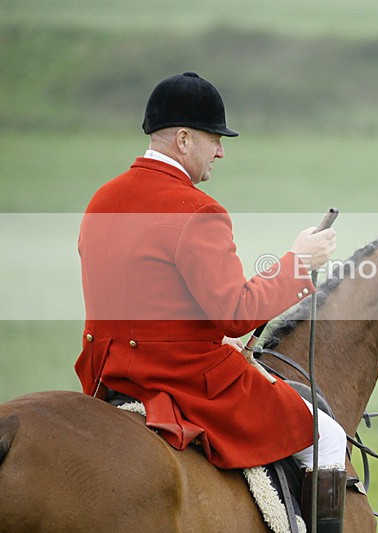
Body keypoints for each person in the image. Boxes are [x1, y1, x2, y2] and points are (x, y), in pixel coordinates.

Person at [75, 72, 347, 531]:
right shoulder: (198, 210)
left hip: (108, 377)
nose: (221, 151)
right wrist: (299, 263)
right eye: (214, 139)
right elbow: (235, 313)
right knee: (328, 438)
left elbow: (147, 295)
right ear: (184, 139)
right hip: (182, 381)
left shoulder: (102, 199)